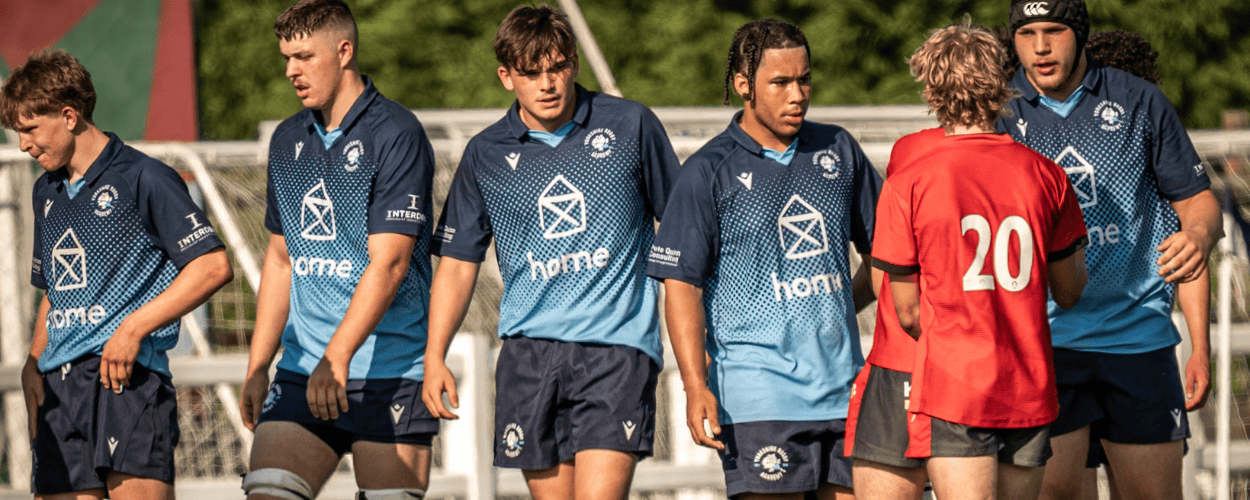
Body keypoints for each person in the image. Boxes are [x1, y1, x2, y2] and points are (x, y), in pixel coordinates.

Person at [421, 5, 680, 500]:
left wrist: (702, 335)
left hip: (616, 350)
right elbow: (457, 265)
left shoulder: (631, 124)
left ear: (575, 64)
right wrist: (434, 356)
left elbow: (683, 234)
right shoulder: (485, 153)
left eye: (558, 68)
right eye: (530, 73)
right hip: (529, 355)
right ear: (506, 77)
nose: (547, 84)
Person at [647, 18, 880, 500]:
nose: (798, 95)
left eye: (805, 79)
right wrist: (695, 385)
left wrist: (841, 305)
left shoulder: (838, 150)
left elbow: (885, 257)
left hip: (846, 395)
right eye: (780, 82)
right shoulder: (708, 171)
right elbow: (682, 286)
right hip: (757, 402)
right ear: (742, 85)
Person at [1001, 1, 1222, 498]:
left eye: (1054, 31)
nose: (1041, 47)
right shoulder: (999, 112)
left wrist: (1198, 234)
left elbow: (1198, 203)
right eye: (1027, 34)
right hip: (1044, 344)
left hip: (1137, 341)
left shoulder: (1139, 100)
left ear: (1080, 33)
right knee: (1057, 493)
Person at [871, 18, 1091, 500]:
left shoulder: (909, 182)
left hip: (954, 386)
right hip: (1027, 381)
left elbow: (906, 311)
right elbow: (1070, 292)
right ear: (1003, 85)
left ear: (932, 91)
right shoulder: (1047, 175)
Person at [2, 49, 233, 500]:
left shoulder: (144, 177)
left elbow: (211, 266)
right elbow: (57, 289)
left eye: (30, 130)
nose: (24, 145)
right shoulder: (45, 190)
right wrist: (33, 363)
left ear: (69, 116)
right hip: (58, 388)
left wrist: (133, 329)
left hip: (125, 380)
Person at [238, 1, 438, 499]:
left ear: (344, 51)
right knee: (267, 492)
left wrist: (338, 354)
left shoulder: (396, 133)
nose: (292, 70)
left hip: (389, 370)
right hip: (305, 368)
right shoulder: (287, 139)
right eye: (287, 58)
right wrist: (258, 366)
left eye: (305, 56)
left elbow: (389, 264)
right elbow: (282, 259)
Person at [844, 126, 942, 500]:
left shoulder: (910, 153)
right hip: (984, 365)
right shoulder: (1019, 158)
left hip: (903, 363)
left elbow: (896, 296)